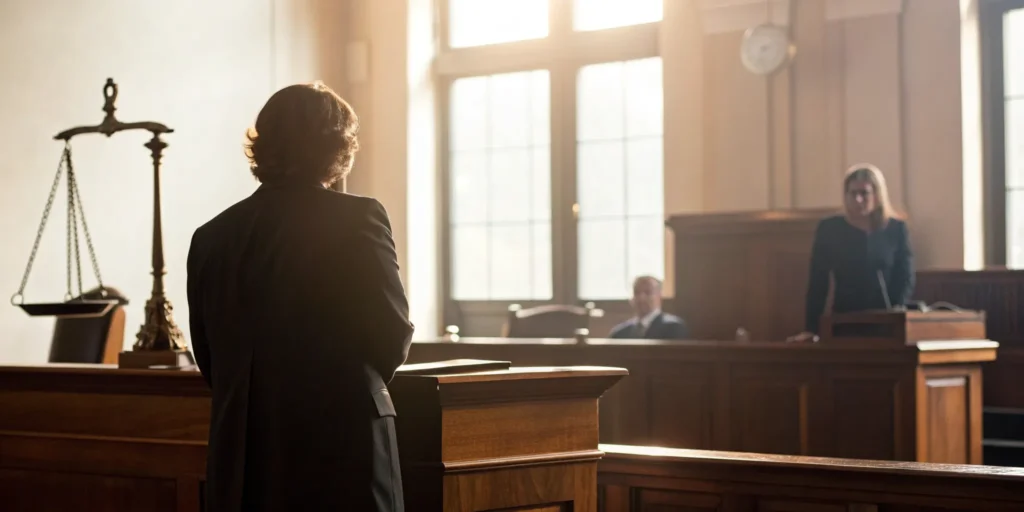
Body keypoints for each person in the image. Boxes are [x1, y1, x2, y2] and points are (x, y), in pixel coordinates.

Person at [186, 82, 414, 512]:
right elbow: (391, 332)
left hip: (245, 451)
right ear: (337, 147)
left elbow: (210, 355)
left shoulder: (211, 236)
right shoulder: (358, 217)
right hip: (342, 444)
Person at [790, 164, 914, 343]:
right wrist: (811, 328)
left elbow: (905, 276)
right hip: (844, 319)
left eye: (864, 194)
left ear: (877, 195)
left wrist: (897, 310)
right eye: (852, 193)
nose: (857, 200)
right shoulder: (830, 229)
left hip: (886, 322)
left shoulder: (896, 229)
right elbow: (818, 283)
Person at [609, 276, 689, 339]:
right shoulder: (619, 333)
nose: (641, 298)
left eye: (648, 292)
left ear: (659, 296)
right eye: (636, 292)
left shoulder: (673, 328)